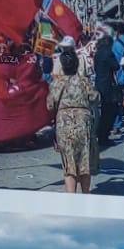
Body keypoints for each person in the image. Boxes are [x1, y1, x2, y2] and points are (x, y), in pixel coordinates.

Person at [47, 47, 98, 194]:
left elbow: (50, 105)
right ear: (77, 64)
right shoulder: (84, 82)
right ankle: (86, 195)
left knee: (69, 163)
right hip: (83, 122)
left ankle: (71, 197)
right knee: (84, 162)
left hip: (64, 123)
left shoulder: (56, 83)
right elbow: (95, 98)